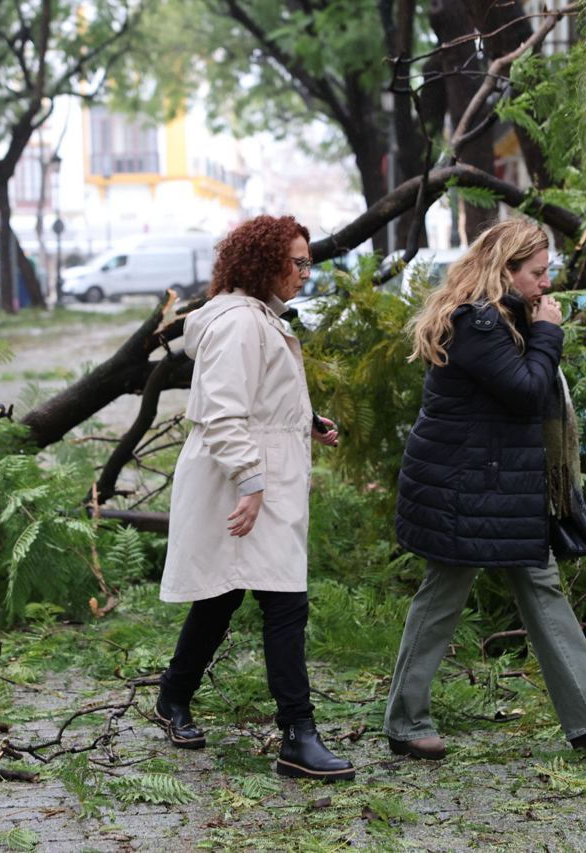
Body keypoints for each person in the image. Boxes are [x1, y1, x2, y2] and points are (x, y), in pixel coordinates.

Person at [384, 219, 586, 760]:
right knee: (442, 595)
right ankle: (406, 722)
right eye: (537, 273)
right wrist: (549, 332)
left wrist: (537, 328)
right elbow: (525, 391)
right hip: (463, 489)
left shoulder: (501, 318)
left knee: (540, 585)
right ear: (505, 270)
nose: (546, 284)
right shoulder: (478, 323)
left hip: (496, 486)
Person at [156, 215, 355, 782]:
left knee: (225, 594)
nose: (306, 272)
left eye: (308, 262)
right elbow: (222, 413)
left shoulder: (258, 317)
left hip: (260, 473)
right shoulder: (240, 323)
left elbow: (258, 395)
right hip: (243, 477)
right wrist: (250, 482)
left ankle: (173, 696)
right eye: (298, 262)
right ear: (265, 261)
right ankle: (298, 734)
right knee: (282, 602)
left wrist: (305, 420)